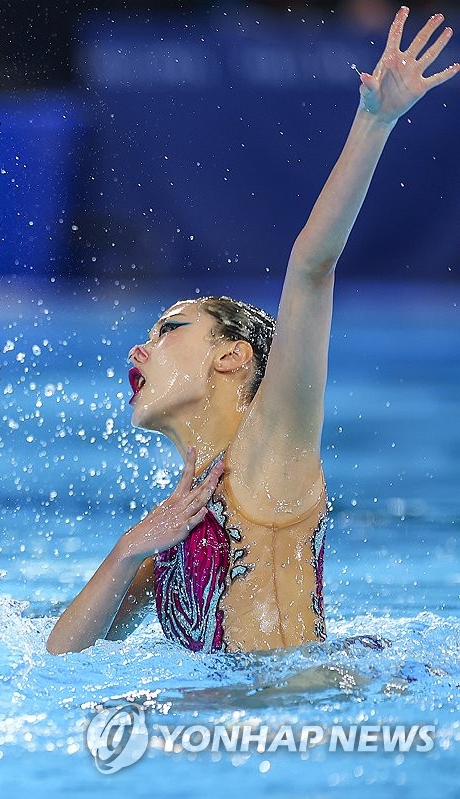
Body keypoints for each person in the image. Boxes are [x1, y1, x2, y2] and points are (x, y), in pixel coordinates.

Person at [47, 7, 457, 655]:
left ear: (234, 357)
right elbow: (61, 654)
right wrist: (128, 549)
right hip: (245, 731)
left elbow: (312, 267)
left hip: (304, 720)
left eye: (171, 328)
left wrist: (374, 120)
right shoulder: (175, 524)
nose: (139, 347)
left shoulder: (272, 450)